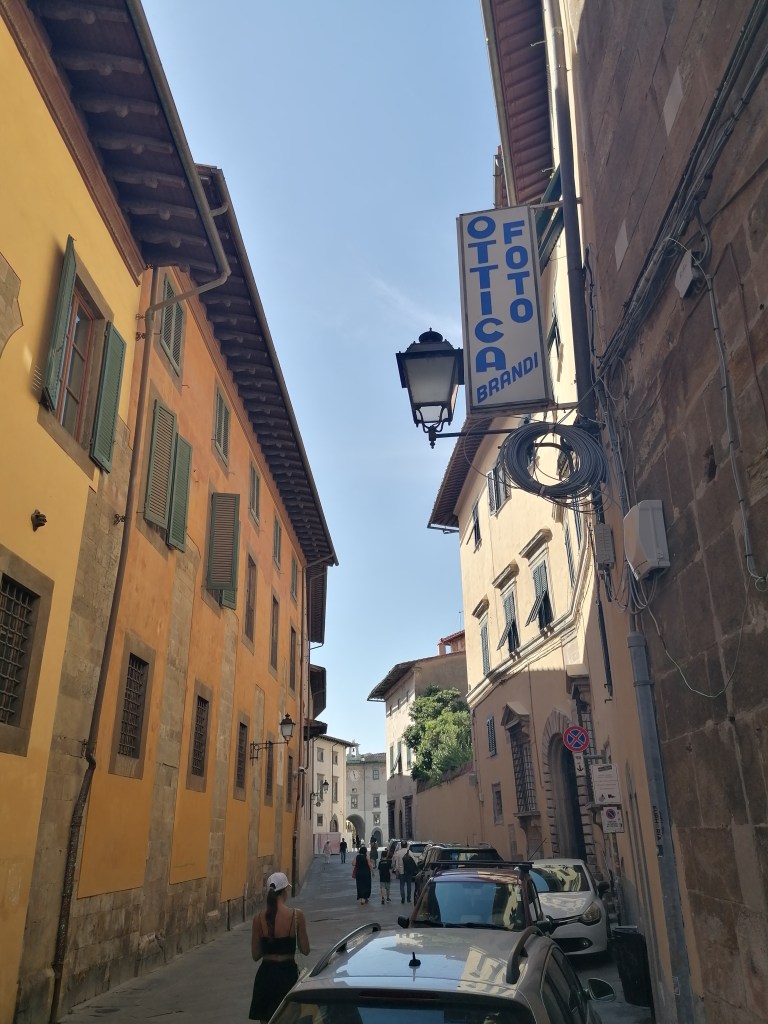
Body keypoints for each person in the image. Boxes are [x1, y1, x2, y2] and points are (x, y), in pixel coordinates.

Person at [249, 872, 309, 1022]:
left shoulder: (258, 919)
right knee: (289, 1018)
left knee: (267, 1020)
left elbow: (255, 955)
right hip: (287, 974)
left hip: (266, 975)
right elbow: (305, 950)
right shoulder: (297, 916)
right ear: (285, 891)